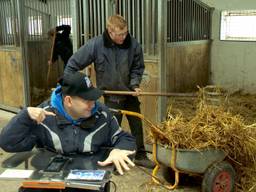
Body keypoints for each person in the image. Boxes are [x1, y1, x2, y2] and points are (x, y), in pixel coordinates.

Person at [0, 72, 136, 192]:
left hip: (86, 184)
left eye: (94, 99)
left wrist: (120, 149)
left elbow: (124, 138)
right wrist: (24, 116)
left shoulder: (102, 114)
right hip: (48, 181)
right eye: (87, 100)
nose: (93, 104)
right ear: (68, 100)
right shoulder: (43, 115)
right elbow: (7, 143)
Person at [64, 15, 154, 168]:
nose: (124, 37)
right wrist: (73, 86)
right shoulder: (96, 45)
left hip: (129, 92)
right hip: (111, 95)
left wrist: (134, 84)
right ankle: (108, 156)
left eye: (125, 33)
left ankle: (140, 154)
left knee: (136, 124)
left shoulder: (133, 44)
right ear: (110, 31)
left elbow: (137, 67)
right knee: (110, 127)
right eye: (120, 34)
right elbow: (72, 64)